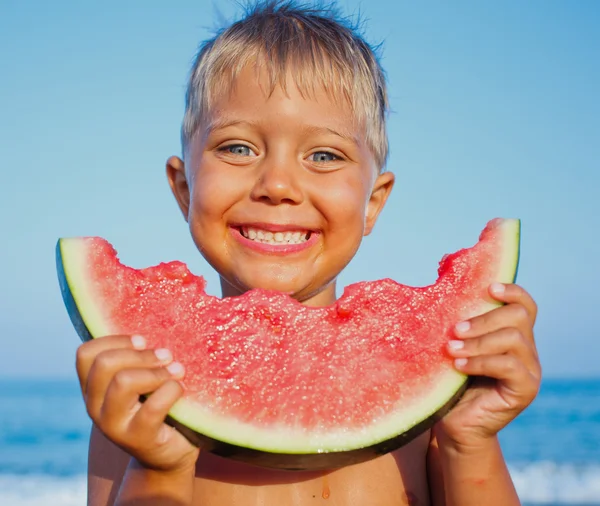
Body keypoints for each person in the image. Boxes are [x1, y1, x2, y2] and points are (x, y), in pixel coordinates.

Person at [75, 2, 541, 505]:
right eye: (237, 148)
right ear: (184, 188)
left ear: (373, 203)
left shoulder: (436, 402)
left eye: (324, 155)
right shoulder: (142, 393)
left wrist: (470, 440)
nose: (277, 185)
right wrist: (158, 469)